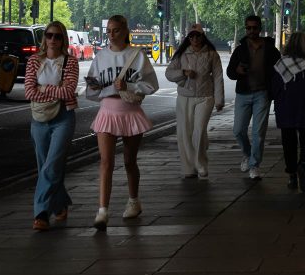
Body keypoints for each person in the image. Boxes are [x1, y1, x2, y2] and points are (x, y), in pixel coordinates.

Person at [85, 15, 159, 231]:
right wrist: (95, 87)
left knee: (129, 161)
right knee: (106, 161)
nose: (111, 34)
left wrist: (129, 86)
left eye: (115, 30)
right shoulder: (101, 56)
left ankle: (134, 201)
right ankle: (102, 211)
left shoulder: (137, 55)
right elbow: (91, 90)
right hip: (107, 109)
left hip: (130, 110)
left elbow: (151, 84)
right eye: (108, 30)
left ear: (125, 31)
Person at [24, 20, 79, 231]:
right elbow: (29, 92)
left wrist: (43, 87)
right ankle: (60, 203)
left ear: (63, 39)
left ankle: (41, 213)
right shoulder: (34, 61)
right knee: (44, 167)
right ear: (44, 38)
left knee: (52, 165)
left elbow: (68, 91)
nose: (53, 39)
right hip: (39, 118)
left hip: (63, 117)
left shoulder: (70, 62)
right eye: (49, 35)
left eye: (57, 36)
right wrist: (54, 89)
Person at [166, 23, 225, 179]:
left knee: (199, 130)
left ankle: (201, 164)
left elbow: (218, 77)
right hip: (184, 97)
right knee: (184, 132)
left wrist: (219, 100)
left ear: (202, 36)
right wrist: (183, 72)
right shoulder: (181, 54)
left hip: (205, 97)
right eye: (191, 36)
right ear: (188, 38)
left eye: (197, 36)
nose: (195, 39)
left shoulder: (212, 54)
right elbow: (169, 73)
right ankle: (188, 168)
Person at [226, 15, 281, 180]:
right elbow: (230, 72)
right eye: (248, 28)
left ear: (260, 29)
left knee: (258, 132)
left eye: (254, 28)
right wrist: (237, 71)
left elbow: (280, 71)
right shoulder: (240, 49)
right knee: (238, 130)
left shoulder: (270, 50)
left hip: (262, 94)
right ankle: (247, 154)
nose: (251, 31)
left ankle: (254, 165)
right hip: (243, 94)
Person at [272, 32, 305, 193]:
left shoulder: (281, 64)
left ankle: (292, 175)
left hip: (286, 108)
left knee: (288, 143)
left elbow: (274, 89)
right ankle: (303, 164)